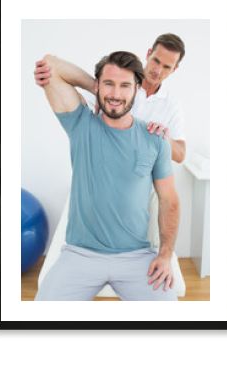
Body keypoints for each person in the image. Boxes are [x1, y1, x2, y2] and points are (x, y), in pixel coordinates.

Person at [35, 51, 179, 301]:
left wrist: (165, 255)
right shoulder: (81, 123)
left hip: (136, 257)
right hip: (80, 255)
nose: (115, 93)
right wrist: (96, 88)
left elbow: (170, 201)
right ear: (98, 85)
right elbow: (51, 65)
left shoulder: (155, 138)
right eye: (109, 83)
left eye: (125, 85)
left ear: (137, 88)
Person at [34, 33, 186, 163]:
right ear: (148, 54)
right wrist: (96, 88)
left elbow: (180, 155)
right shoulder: (115, 82)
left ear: (175, 69)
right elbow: (51, 65)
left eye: (167, 67)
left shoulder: (171, 104)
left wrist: (163, 138)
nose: (158, 70)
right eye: (156, 61)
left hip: (140, 183)